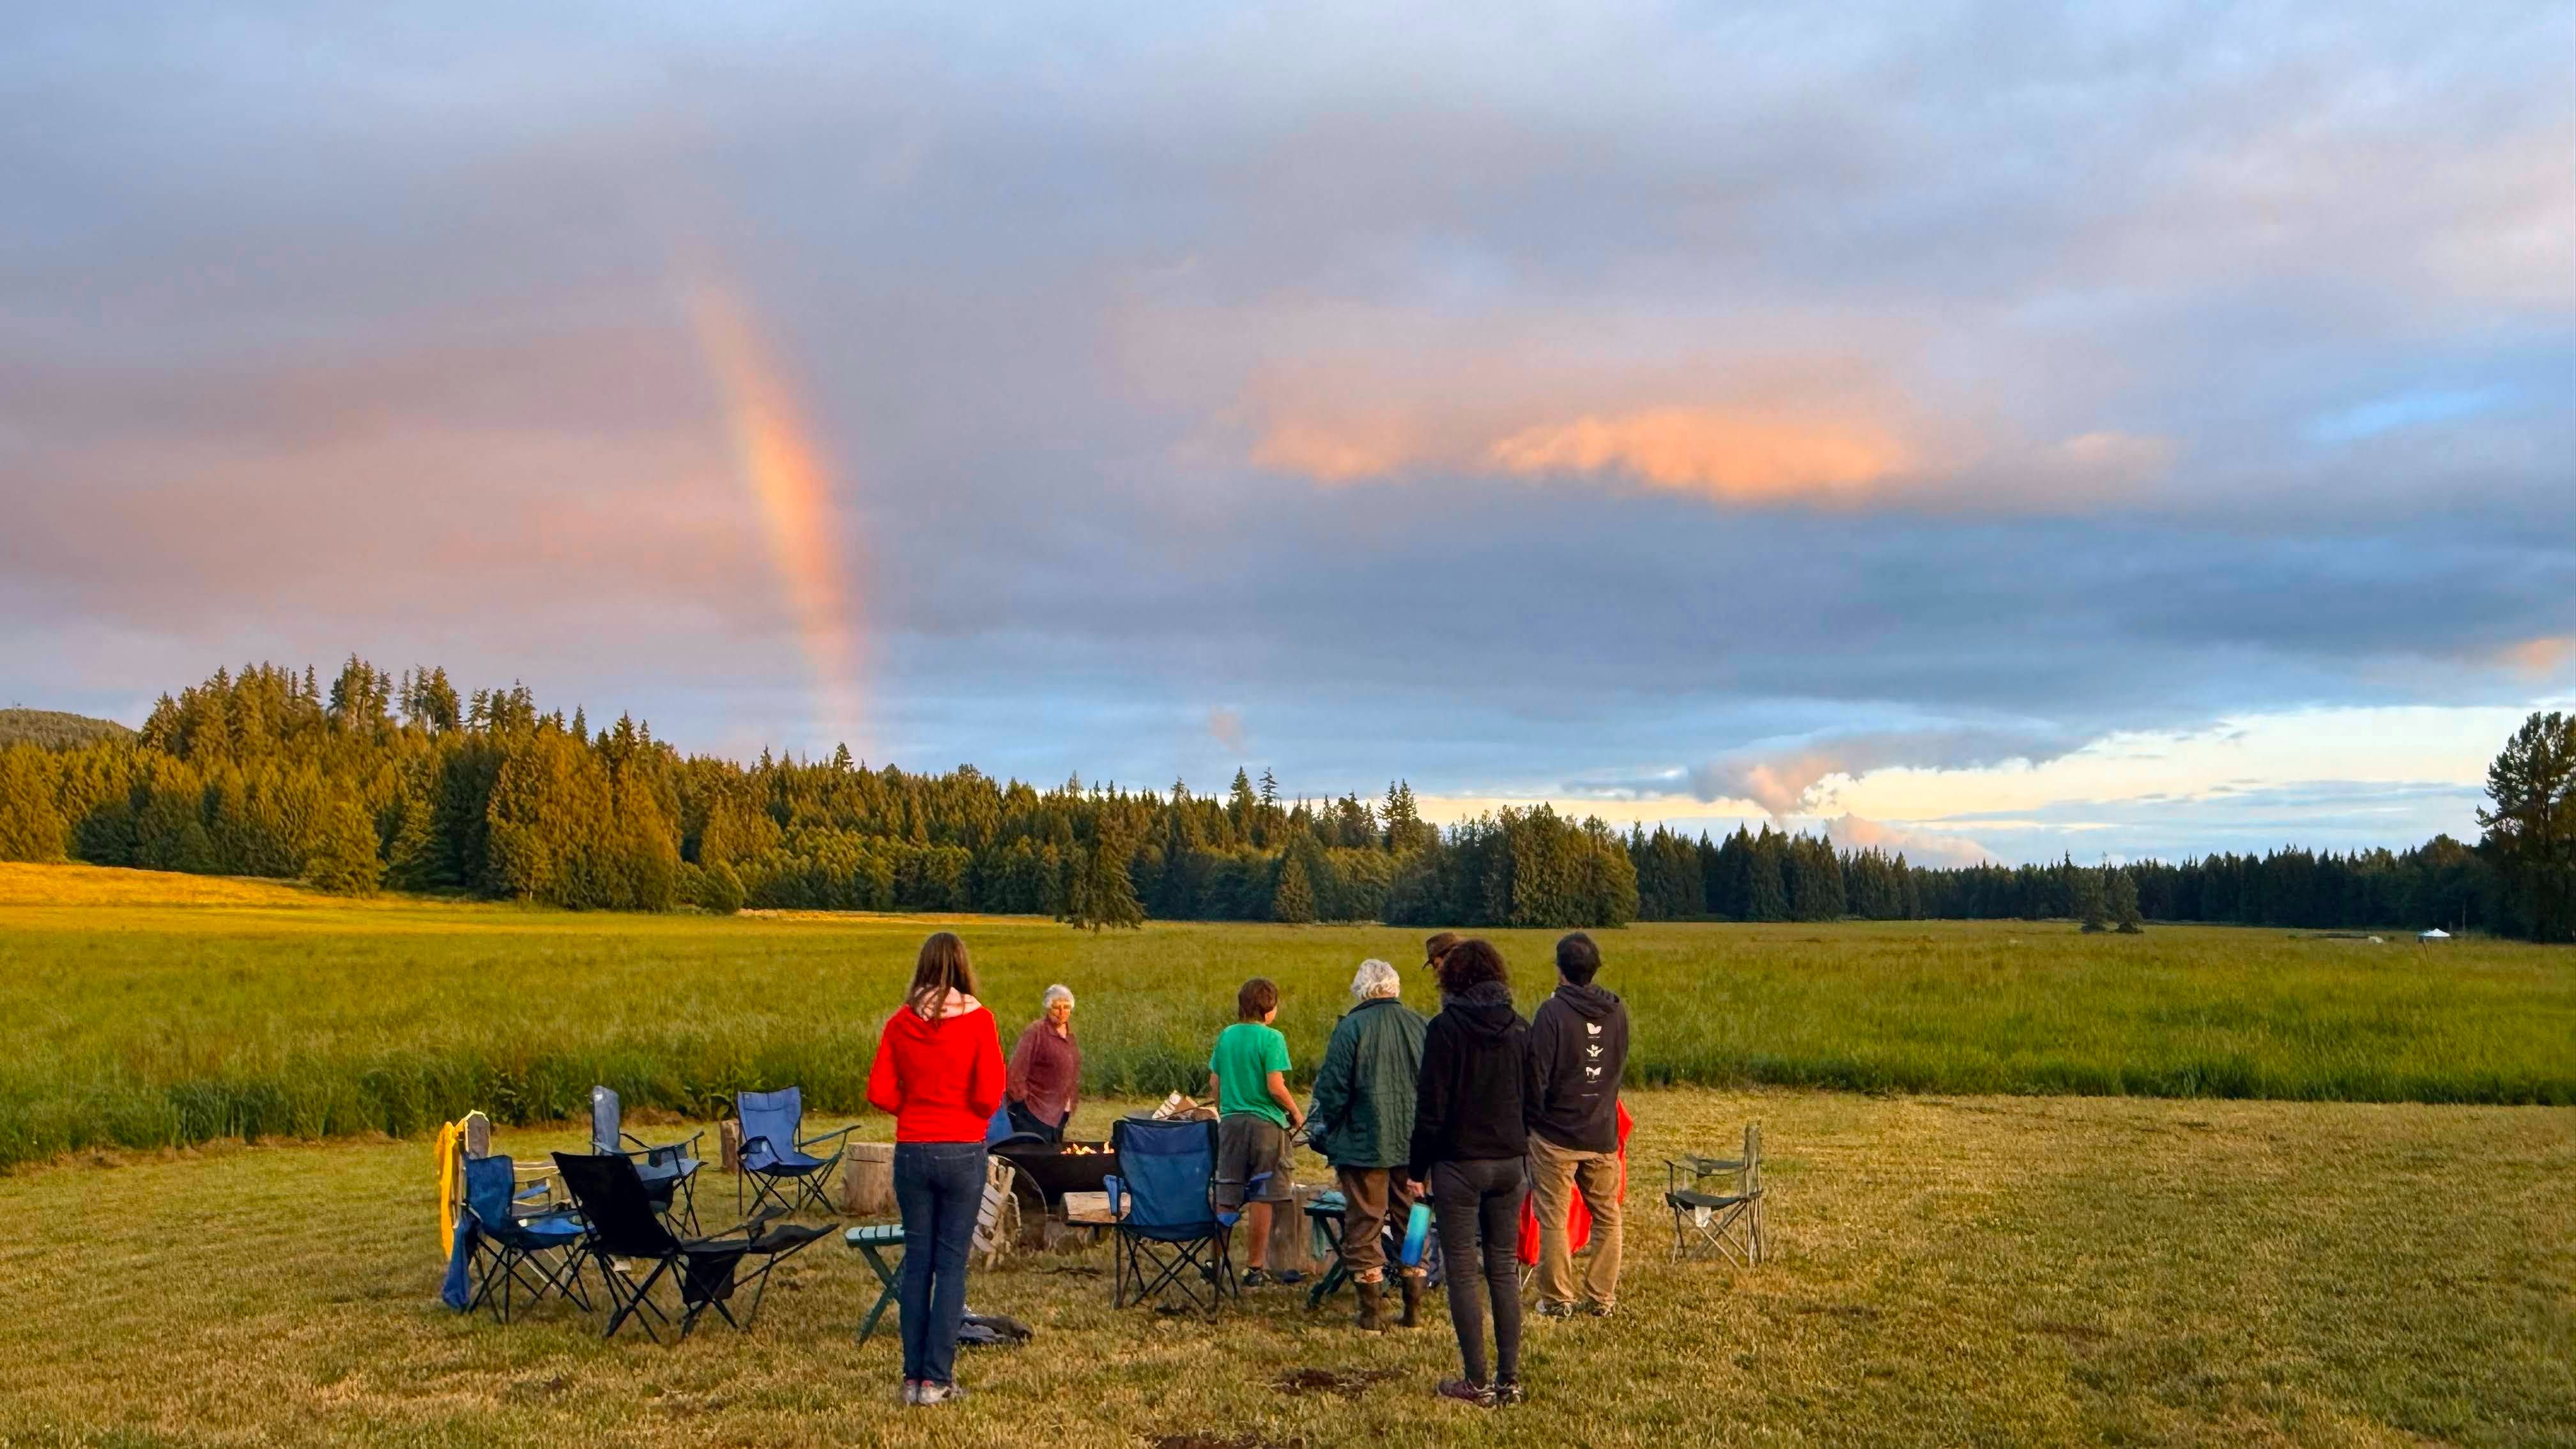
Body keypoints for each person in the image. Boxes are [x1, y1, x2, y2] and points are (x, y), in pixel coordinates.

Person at [866, 931, 1006, 1407]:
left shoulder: (900, 1022)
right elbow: (990, 1096)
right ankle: (937, 1381)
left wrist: (916, 1103)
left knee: (917, 1265)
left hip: (913, 1150)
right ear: (964, 967)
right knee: (950, 1269)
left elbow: (880, 1092)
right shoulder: (981, 1021)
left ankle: (911, 1379)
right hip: (963, 1149)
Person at [1407, 938, 1532, 1408]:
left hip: (1459, 1164)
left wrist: (1417, 1168)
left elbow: (1430, 1109)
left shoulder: (1444, 1030)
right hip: (1510, 1163)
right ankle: (1510, 1380)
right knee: (1503, 1267)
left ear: (1451, 978)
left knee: (1462, 1270)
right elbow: (1533, 1099)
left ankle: (1475, 1382)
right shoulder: (1522, 1028)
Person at [1306, 958, 1429, 1331]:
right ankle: (1413, 1309)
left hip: (1363, 1145)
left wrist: (1333, 1127)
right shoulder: (1421, 1025)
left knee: (1365, 1223)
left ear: (1361, 991)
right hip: (1414, 1145)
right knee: (1414, 1221)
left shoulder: (1351, 1028)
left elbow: (1331, 1090)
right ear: (1394, 987)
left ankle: (1371, 1314)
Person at [1526, 930, 1630, 1319]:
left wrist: (1532, 1119)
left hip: (1556, 1134)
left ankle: (1558, 1299)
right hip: (1601, 1130)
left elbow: (1536, 1074)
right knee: (1607, 1215)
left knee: (1553, 1216)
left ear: (1560, 971)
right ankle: (1601, 1298)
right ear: (1594, 970)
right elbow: (1618, 1063)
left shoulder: (1552, 1012)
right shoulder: (1617, 1010)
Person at [1205, 976, 1303, 1285]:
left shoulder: (1227, 1036)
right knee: (1262, 1194)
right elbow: (1275, 1086)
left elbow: (1214, 1084)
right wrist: (1296, 1113)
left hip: (1232, 1124)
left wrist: (1225, 1110)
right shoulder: (1272, 1039)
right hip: (1265, 1128)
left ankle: (1215, 1260)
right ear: (1269, 1008)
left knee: (1227, 1192)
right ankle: (1254, 1267)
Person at [1006, 984, 1080, 1143]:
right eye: (1056, 1007)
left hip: (1061, 1112)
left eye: (1066, 1007)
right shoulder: (1036, 1032)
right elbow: (1016, 1072)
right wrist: (1024, 1104)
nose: (1062, 1012)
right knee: (1037, 1160)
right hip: (1035, 1113)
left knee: (1055, 1160)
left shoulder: (1070, 1034)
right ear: (1048, 1008)